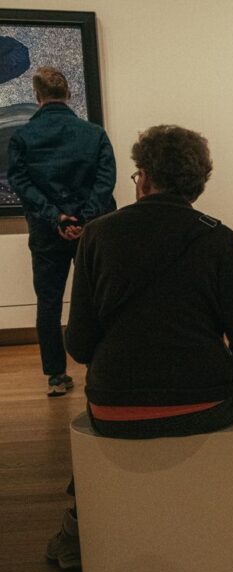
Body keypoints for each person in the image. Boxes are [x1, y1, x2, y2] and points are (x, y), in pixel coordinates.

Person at [46, 125, 233, 570]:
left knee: (97, 419)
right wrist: (219, 371)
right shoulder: (217, 237)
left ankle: (78, 529)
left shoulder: (98, 235)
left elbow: (79, 344)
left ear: (145, 177)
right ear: (197, 181)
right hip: (205, 401)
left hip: (116, 406)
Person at [7, 67, 116, 397]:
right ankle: (101, 367)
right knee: (101, 299)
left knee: (49, 303)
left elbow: (21, 183)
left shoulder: (22, 138)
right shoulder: (94, 134)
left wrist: (56, 217)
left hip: (46, 232)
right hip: (92, 230)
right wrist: (83, 218)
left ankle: (56, 376)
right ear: (68, 94)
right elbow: (105, 181)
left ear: (37, 97)